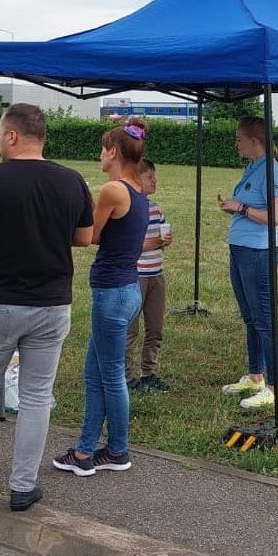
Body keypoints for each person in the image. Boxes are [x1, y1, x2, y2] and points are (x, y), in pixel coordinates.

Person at [0, 103, 93, 513]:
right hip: (51, 303)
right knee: (35, 396)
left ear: (12, 136)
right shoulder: (72, 180)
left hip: (0, 302)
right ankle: (23, 487)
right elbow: (85, 237)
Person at [53, 118, 148, 476]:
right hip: (126, 289)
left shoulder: (114, 190)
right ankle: (83, 453)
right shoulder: (137, 190)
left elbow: (91, 235)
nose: (99, 154)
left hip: (111, 293)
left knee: (111, 376)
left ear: (113, 152)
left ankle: (118, 451)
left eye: (102, 147)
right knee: (94, 374)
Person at [217, 115, 278, 410]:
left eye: (239, 138)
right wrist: (233, 208)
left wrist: (240, 207)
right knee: (250, 317)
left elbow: (275, 217)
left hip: (259, 252)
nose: (236, 144)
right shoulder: (253, 168)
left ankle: (275, 388)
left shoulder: (272, 171)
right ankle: (255, 376)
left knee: (265, 320)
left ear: (254, 141)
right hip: (242, 249)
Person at [125, 159, 173, 394]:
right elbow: (130, 245)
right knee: (130, 328)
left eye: (155, 177)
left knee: (155, 327)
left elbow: (160, 237)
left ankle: (149, 372)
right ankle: (126, 376)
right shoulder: (131, 208)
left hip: (156, 274)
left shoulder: (155, 208)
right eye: (149, 177)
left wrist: (164, 241)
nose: (154, 181)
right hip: (137, 275)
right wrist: (156, 242)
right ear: (136, 179)